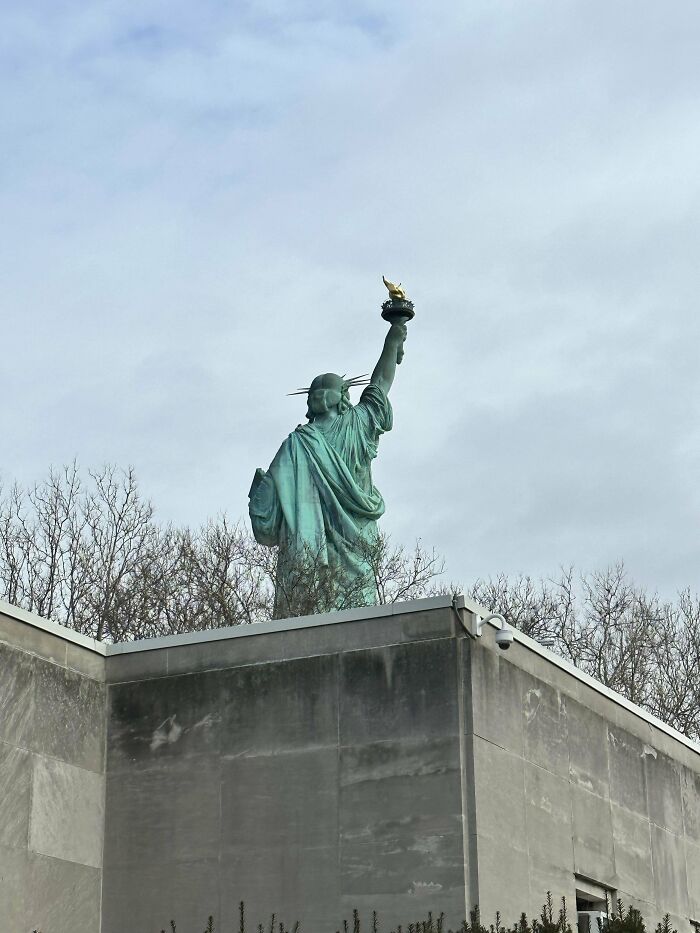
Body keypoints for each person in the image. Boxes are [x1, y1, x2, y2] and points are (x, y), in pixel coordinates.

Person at [249, 321, 408, 616]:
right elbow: (380, 383)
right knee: (360, 622)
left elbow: (266, 516)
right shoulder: (358, 424)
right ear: (344, 397)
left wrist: (260, 487)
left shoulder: (295, 444)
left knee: (306, 624)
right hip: (358, 541)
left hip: (306, 556)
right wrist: (393, 339)